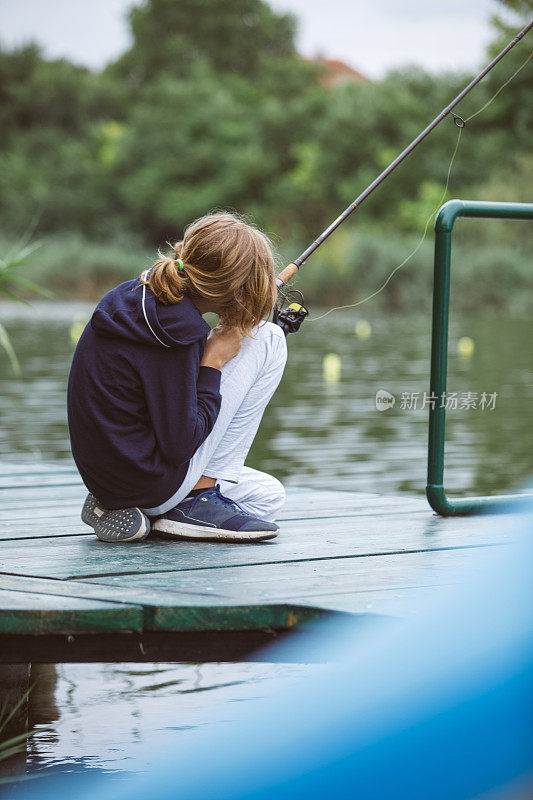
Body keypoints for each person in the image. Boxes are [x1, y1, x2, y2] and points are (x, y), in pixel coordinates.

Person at [67, 213, 287, 544]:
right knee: (269, 337)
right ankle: (196, 499)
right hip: (149, 482)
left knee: (269, 495)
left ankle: (160, 511)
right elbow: (181, 443)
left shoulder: (137, 294)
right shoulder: (178, 332)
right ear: (236, 290)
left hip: (111, 480)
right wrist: (212, 363)